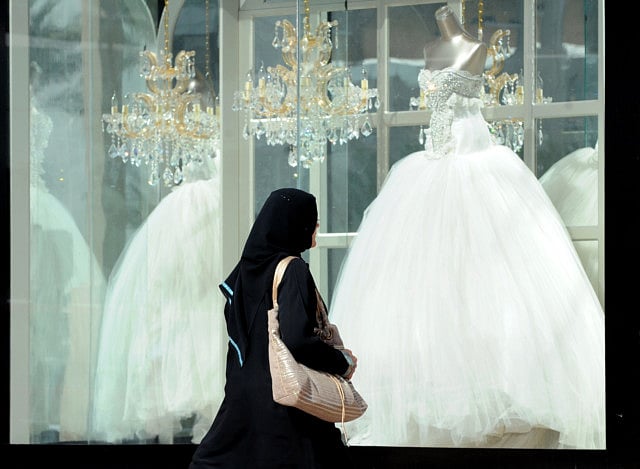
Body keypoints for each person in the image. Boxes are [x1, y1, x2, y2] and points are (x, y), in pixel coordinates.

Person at [329, 5, 605, 449]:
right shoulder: (427, 47)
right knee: (425, 288)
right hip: (432, 164)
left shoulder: (476, 48)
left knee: (484, 280)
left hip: (475, 159)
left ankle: (495, 405)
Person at [189, 187, 358, 468]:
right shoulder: (292, 269)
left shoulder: (245, 270)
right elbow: (298, 340)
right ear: (296, 224)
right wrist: (342, 362)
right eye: (312, 223)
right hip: (286, 404)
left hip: (243, 401)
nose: (315, 231)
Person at [91, 155, 226, 444]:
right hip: (196, 211)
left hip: (197, 210)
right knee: (182, 303)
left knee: (199, 307)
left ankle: (205, 426)